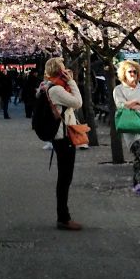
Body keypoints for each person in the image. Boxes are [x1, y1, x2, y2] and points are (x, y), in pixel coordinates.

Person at [41, 57, 84, 231]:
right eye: (63, 69)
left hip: (62, 136)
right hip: (63, 137)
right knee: (65, 178)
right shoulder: (57, 89)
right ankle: (63, 217)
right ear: (59, 71)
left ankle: (63, 216)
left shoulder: (51, 86)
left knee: (64, 177)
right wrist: (72, 82)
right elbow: (78, 102)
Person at [113, 61, 140, 194]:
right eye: (130, 72)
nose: (133, 74)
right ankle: (138, 183)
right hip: (131, 127)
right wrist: (137, 103)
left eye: (135, 72)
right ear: (124, 74)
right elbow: (121, 105)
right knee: (139, 153)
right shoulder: (119, 89)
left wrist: (134, 104)